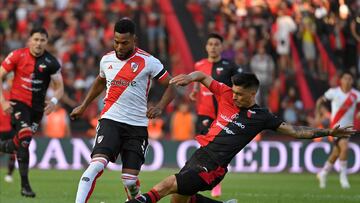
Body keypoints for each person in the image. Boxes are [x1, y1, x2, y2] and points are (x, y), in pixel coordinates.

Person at [125, 71, 355, 203]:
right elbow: (204, 77)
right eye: (233, 92)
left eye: (240, 94)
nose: (234, 97)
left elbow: (296, 132)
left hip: (214, 167)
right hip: (199, 156)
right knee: (180, 200)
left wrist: (329, 132)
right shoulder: (226, 93)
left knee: (167, 185)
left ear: (252, 94)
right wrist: (190, 78)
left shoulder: (262, 117)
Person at [70, 18, 175, 203]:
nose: (119, 46)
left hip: (137, 125)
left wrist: (159, 107)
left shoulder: (149, 61)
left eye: (124, 43)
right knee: (96, 166)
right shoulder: (106, 60)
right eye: (116, 41)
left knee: (129, 181)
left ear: (134, 39)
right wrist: (84, 105)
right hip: (110, 120)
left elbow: (171, 85)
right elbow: (100, 81)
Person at [0, 27, 64, 197]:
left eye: (42, 40)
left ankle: (24, 186)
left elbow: (60, 88)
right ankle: (25, 186)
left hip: (37, 110)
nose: (38, 43)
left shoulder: (51, 62)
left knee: (22, 143)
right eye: (35, 39)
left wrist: (54, 101)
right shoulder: (17, 55)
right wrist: (3, 101)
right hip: (18, 103)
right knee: (25, 137)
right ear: (29, 40)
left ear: (46, 42)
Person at [189, 33, 241, 197]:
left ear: (221, 47)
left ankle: (216, 183)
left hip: (223, 115)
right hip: (204, 112)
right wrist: (194, 92)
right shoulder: (199, 64)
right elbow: (197, 85)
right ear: (206, 47)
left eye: (216, 44)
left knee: (220, 151)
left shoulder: (229, 66)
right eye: (210, 44)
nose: (213, 47)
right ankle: (202, 179)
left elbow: (239, 86)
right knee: (204, 149)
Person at [316, 71, 360, 189]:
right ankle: (343, 177)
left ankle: (323, 173)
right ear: (341, 80)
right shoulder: (334, 92)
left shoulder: (356, 94)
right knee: (344, 148)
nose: (347, 81)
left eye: (350, 79)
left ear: (352, 81)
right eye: (345, 78)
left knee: (336, 152)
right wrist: (318, 115)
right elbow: (320, 101)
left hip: (347, 129)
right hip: (335, 128)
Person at [0, 73, 16, 183]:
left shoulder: (16, 96)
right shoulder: (3, 94)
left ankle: (9, 174)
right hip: (1, 128)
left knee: (13, 152)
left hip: (11, 128)